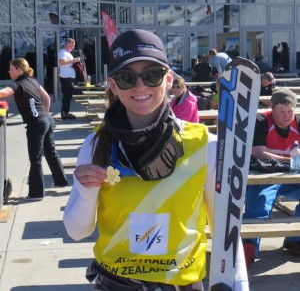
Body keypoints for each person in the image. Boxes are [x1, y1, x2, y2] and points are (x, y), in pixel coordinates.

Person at [63, 29, 248, 291]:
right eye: (127, 78)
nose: (140, 87)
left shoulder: (204, 144)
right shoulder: (96, 144)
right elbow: (76, 231)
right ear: (113, 85)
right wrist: (86, 190)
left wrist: (239, 284)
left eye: (152, 75)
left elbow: (226, 230)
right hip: (115, 285)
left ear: (168, 79)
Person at [243, 88, 300, 269]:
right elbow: (259, 153)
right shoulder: (261, 121)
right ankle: (249, 247)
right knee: (259, 203)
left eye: (290, 111)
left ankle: (295, 240)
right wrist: (291, 159)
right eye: (281, 112)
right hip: (264, 176)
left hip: (291, 176)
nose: (286, 116)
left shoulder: (298, 122)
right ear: (272, 109)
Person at [0, 58, 68, 201]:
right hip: (47, 120)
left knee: (35, 159)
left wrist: (40, 119)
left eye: (11, 68)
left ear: (19, 70)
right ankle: (61, 181)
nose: (8, 71)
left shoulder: (17, 84)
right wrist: (45, 116)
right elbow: (47, 99)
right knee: (51, 152)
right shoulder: (33, 81)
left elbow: (3, 93)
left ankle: (36, 193)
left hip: (36, 124)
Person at [58, 38, 80, 120]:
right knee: (66, 96)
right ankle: (64, 113)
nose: (73, 47)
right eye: (72, 45)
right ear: (68, 44)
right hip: (66, 77)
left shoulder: (67, 53)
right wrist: (73, 60)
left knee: (68, 96)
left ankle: (65, 112)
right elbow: (61, 62)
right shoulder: (62, 52)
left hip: (69, 77)